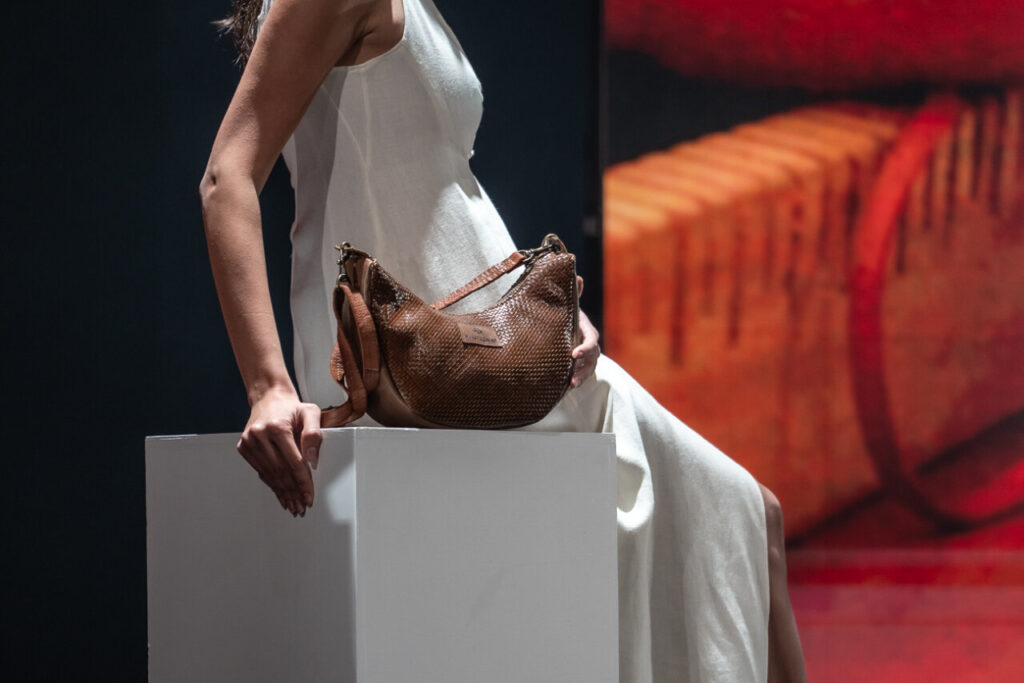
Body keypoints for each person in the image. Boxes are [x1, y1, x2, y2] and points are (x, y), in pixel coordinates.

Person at [199, 0, 807, 680]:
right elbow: (227, 179)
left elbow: (441, 197)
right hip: (421, 372)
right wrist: (268, 385)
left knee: (756, 526)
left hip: (485, 362)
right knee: (752, 529)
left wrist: (541, 317)